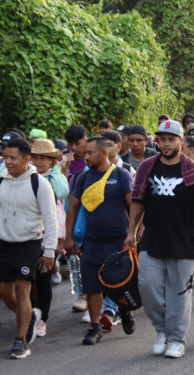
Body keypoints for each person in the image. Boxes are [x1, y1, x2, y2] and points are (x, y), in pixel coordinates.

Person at [125, 119, 194, 358]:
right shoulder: (147, 167)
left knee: (179, 294)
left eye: (170, 139)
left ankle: (176, 339)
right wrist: (131, 233)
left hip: (184, 243)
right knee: (148, 287)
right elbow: (137, 202)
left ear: (182, 141)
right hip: (152, 240)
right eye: (162, 139)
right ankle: (162, 331)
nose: (165, 144)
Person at [0, 138, 57, 359]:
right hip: (4, 243)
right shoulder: (2, 181)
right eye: (5, 157)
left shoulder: (40, 184)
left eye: (13, 158)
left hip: (29, 244)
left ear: (27, 159)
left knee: (23, 289)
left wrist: (50, 252)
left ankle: (21, 340)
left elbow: (50, 219)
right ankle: (27, 318)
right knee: (5, 291)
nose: (8, 162)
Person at [66, 136, 133, 345]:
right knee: (92, 285)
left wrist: (134, 233)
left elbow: (134, 206)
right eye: (85, 153)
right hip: (92, 242)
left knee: (118, 284)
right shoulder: (82, 179)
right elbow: (73, 208)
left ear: (104, 153)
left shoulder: (121, 175)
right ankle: (95, 327)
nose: (85, 157)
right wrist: (68, 238)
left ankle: (124, 310)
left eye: (90, 153)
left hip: (118, 241)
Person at [29, 139, 68, 336]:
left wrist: (55, 173)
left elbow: (63, 192)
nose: (38, 161)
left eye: (43, 158)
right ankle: (31, 311)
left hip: (49, 229)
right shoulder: (24, 175)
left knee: (42, 276)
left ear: (51, 160)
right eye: (34, 157)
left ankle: (42, 317)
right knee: (28, 276)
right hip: (27, 230)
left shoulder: (55, 176)